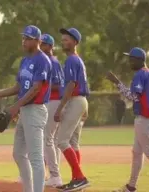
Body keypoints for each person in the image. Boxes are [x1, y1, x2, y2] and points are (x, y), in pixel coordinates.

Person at [0, 25, 52, 192]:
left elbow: (36, 88)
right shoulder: (25, 60)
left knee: (36, 158)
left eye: (28, 38)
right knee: (18, 154)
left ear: (37, 41)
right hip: (24, 111)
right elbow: (18, 87)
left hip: (35, 110)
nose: (24, 41)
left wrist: (15, 107)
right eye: (23, 37)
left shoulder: (42, 60)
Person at [106, 47, 149, 192]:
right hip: (144, 118)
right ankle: (131, 186)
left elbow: (132, 97)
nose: (129, 62)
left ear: (139, 60)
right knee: (137, 153)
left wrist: (117, 82)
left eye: (132, 59)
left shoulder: (140, 75)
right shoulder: (147, 73)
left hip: (144, 119)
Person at [54, 28, 90, 192]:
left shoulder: (71, 60)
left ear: (75, 42)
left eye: (67, 39)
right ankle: (77, 179)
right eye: (62, 40)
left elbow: (71, 85)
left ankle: (80, 177)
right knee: (73, 142)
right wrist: (85, 106)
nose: (63, 42)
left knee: (61, 141)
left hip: (75, 101)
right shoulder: (77, 60)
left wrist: (60, 108)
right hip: (80, 101)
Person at [40, 34, 64, 187]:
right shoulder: (48, 61)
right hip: (52, 102)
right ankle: (51, 174)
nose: (40, 46)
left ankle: (55, 175)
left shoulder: (52, 62)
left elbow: (58, 85)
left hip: (54, 101)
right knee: (52, 140)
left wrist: (40, 86)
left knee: (47, 139)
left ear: (49, 46)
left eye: (43, 44)